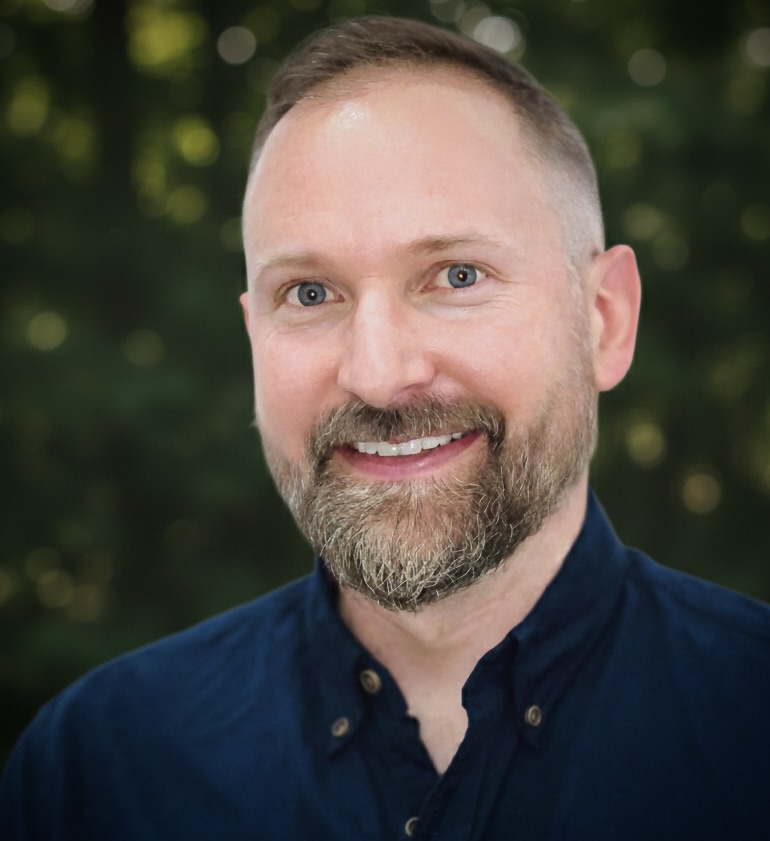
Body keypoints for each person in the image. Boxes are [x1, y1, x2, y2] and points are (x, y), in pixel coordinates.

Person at [2, 15, 769, 841]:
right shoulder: (99, 769)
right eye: (308, 293)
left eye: (456, 275)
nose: (377, 372)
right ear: (252, 334)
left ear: (605, 320)